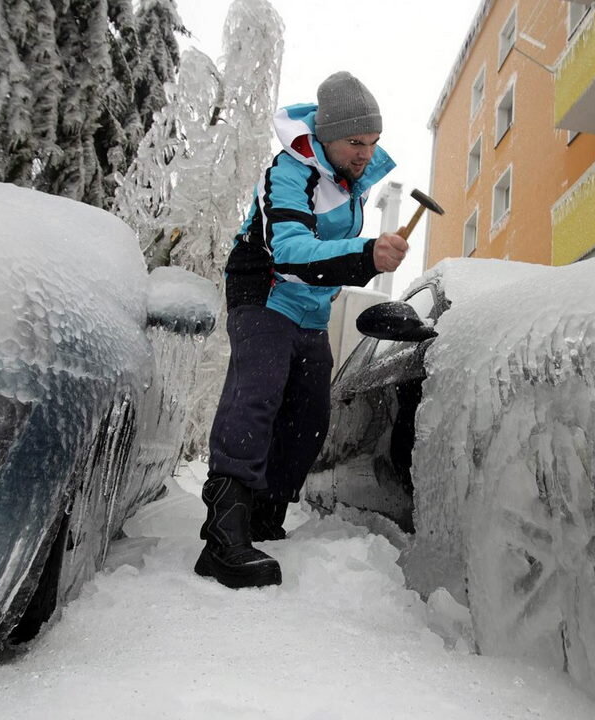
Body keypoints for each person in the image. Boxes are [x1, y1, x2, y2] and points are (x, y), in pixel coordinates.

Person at [194, 71, 408, 589]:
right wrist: (365, 254)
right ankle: (222, 536)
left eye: (373, 143)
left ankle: (264, 519)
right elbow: (287, 252)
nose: (365, 153)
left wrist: (364, 256)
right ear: (326, 136)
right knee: (258, 394)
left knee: (309, 414)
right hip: (265, 291)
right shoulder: (289, 171)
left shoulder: (351, 182)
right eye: (356, 142)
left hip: (310, 309)